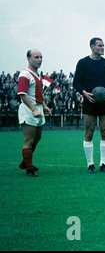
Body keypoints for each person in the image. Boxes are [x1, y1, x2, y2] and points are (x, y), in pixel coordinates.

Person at [73, 37, 105, 173]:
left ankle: (103, 163)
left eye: (103, 45)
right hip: (89, 100)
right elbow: (76, 82)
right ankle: (90, 164)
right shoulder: (83, 63)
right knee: (89, 132)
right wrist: (84, 93)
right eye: (100, 46)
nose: (103, 48)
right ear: (92, 47)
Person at [17, 49, 52, 177]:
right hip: (29, 110)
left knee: (37, 138)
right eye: (36, 57)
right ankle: (29, 169)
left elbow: (39, 94)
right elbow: (22, 94)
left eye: (41, 57)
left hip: (38, 108)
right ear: (28, 59)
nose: (39, 60)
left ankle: (25, 162)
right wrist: (33, 109)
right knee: (29, 140)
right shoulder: (25, 74)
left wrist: (44, 106)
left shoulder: (38, 74)